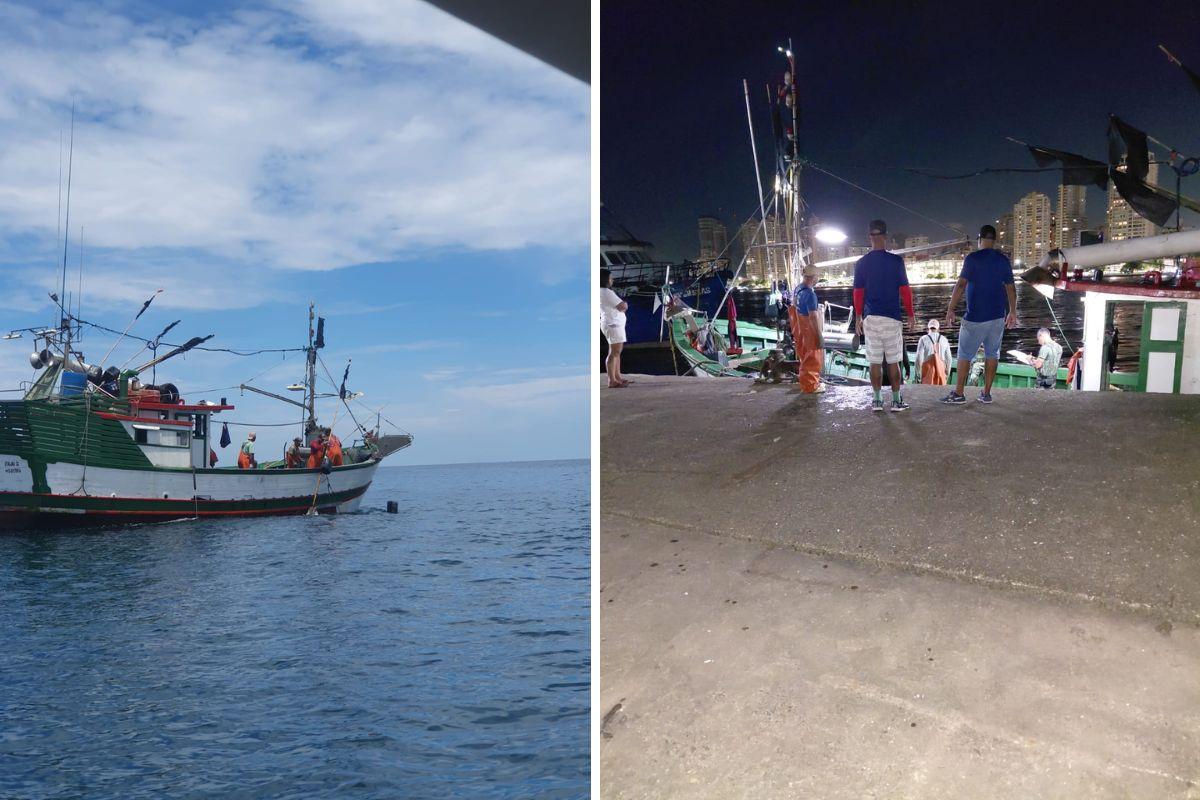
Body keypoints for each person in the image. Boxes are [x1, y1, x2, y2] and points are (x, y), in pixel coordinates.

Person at [942, 224, 1017, 405]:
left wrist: (951, 308)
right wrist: (1013, 312)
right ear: (995, 240)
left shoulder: (972, 259)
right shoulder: (1003, 260)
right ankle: (986, 393)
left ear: (980, 239)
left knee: (965, 355)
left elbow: (961, 285)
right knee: (993, 354)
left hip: (975, 317)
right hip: (998, 317)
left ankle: (959, 394)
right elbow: (1011, 288)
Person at [853, 219, 916, 412]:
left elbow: (858, 292)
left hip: (871, 318)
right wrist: (911, 314)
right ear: (886, 237)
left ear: (870, 237)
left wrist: (858, 317)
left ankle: (877, 400)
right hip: (891, 317)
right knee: (893, 361)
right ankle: (896, 401)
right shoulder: (896, 261)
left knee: (874, 361)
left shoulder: (861, 263)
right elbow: (905, 290)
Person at [789, 264, 826, 393]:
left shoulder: (798, 289)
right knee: (812, 358)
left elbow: (795, 307)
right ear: (813, 277)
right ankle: (811, 386)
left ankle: (807, 384)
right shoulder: (810, 294)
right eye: (817, 276)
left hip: (800, 329)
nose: (818, 278)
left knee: (804, 357)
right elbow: (813, 317)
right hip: (809, 330)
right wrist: (819, 336)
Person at [600, 268, 630, 388]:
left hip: (611, 324)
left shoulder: (601, 291)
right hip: (613, 324)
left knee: (615, 352)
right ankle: (612, 380)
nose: (612, 280)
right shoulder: (606, 292)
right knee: (615, 352)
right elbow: (622, 306)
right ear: (605, 279)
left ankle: (617, 377)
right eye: (611, 278)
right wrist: (625, 304)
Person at [915, 318, 952, 385]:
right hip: (941, 372)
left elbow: (919, 358)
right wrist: (947, 373)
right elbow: (949, 358)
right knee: (940, 393)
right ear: (938, 329)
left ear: (928, 329)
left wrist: (918, 375)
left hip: (927, 373)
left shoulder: (923, 339)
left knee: (927, 393)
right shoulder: (944, 339)